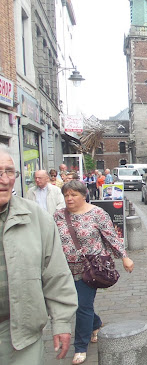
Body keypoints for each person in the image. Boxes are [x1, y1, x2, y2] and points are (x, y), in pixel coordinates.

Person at [0, 148, 78, 363]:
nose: (5, 180)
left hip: (22, 335)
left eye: (10, 172)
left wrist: (61, 322)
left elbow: (56, 273)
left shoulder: (36, 218)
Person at [53, 180, 135, 365]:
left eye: (73, 195)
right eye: (66, 195)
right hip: (65, 268)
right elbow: (50, 239)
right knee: (78, 305)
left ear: (84, 195)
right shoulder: (58, 215)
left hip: (90, 268)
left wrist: (124, 257)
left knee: (82, 305)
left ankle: (80, 347)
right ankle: (96, 324)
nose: (69, 198)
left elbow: (111, 237)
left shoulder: (97, 213)